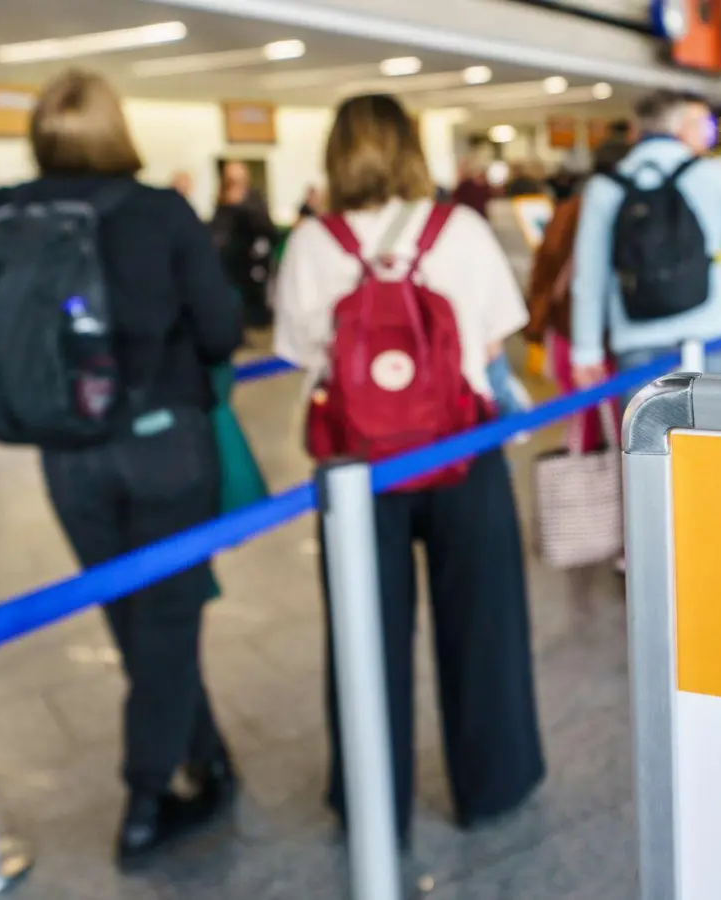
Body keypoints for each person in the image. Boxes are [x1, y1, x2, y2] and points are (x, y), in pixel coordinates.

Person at [0, 68, 243, 867]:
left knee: (134, 620)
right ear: (119, 130)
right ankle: (146, 801)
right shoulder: (157, 211)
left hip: (68, 457)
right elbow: (217, 332)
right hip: (165, 445)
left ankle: (206, 758)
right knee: (169, 619)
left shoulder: (2, 214)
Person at [272, 93, 544, 841]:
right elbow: (491, 343)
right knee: (483, 625)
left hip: (357, 464)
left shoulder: (310, 242)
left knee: (363, 634)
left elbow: (300, 352)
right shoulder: (457, 228)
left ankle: (370, 798)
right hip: (461, 449)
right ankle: (493, 783)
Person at [569, 90, 721, 405]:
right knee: (713, 445)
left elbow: (588, 278)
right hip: (711, 329)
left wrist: (586, 350)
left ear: (636, 130)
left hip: (637, 336)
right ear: (680, 127)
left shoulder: (604, 188)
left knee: (648, 448)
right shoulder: (713, 175)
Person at [524, 139, 630, 452]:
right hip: (622, 330)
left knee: (584, 422)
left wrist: (539, 324)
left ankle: (590, 495)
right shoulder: (631, 206)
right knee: (624, 425)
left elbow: (545, 268)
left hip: (570, 328)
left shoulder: (569, 209)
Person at [211, 161, 277, 328]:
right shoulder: (221, 202)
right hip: (228, 266)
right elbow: (218, 231)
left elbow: (267, 229)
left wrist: (240, 207)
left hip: (251, 267)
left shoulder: (254, 201)